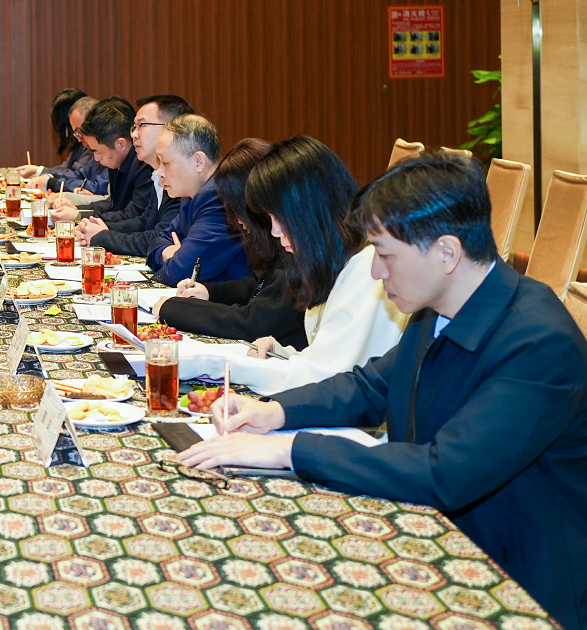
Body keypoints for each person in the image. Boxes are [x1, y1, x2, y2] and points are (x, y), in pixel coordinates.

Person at [180, 152, 587, 630]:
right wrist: (273, 412)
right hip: (439, 538)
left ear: (447, 253)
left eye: (386, 256)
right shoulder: (439, 306)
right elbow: (370, 385)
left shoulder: (538, 343)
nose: (375, 273)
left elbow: (445, 472)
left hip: (519, 585)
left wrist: (291, 448)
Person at [173, 136, 408, 393]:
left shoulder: (368, 269)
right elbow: (326, 356)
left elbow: (327, 381)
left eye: (278, 218)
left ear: (309, 211)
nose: (274, 231)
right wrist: (282, 353)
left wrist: (217, 364)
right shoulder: (334, 263)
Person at [153, 138, 309, 349]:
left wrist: (174, 309)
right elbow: (260, 286)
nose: (236, 220)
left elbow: (253, 322)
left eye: (237, 209)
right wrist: (209, 292)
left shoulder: (298, 244)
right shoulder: (280, 239)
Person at [74, 94, 193, 257]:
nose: (134, 134)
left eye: (141, 125)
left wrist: (102, 236)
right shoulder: (157, 173)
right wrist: (101, 228)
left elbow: (159, 238)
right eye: (134, 127)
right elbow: (143, 222)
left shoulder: (183, 180)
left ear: (171, 129)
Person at [145, 115, 249, 284]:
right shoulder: (193, 195)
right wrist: (168, 253)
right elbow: (157, 241)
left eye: (165, 162)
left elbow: (181, 272)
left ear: (199, 162)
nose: (160, 172)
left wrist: (178, 257)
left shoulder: (219, 199)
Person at [48, 99, 154, 223]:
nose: (96, 158)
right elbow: (113, 204)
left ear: (121, 145)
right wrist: (77, 209)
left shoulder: (144, 166)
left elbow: (131, 216)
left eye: (98, 152)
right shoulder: (117, 161)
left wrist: (78, 216)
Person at [12, 89, 90, 190]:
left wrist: (47, 179)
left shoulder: (89, 145)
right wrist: (40, 171)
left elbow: (77, 175)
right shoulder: (80, 143)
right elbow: (66, 168)